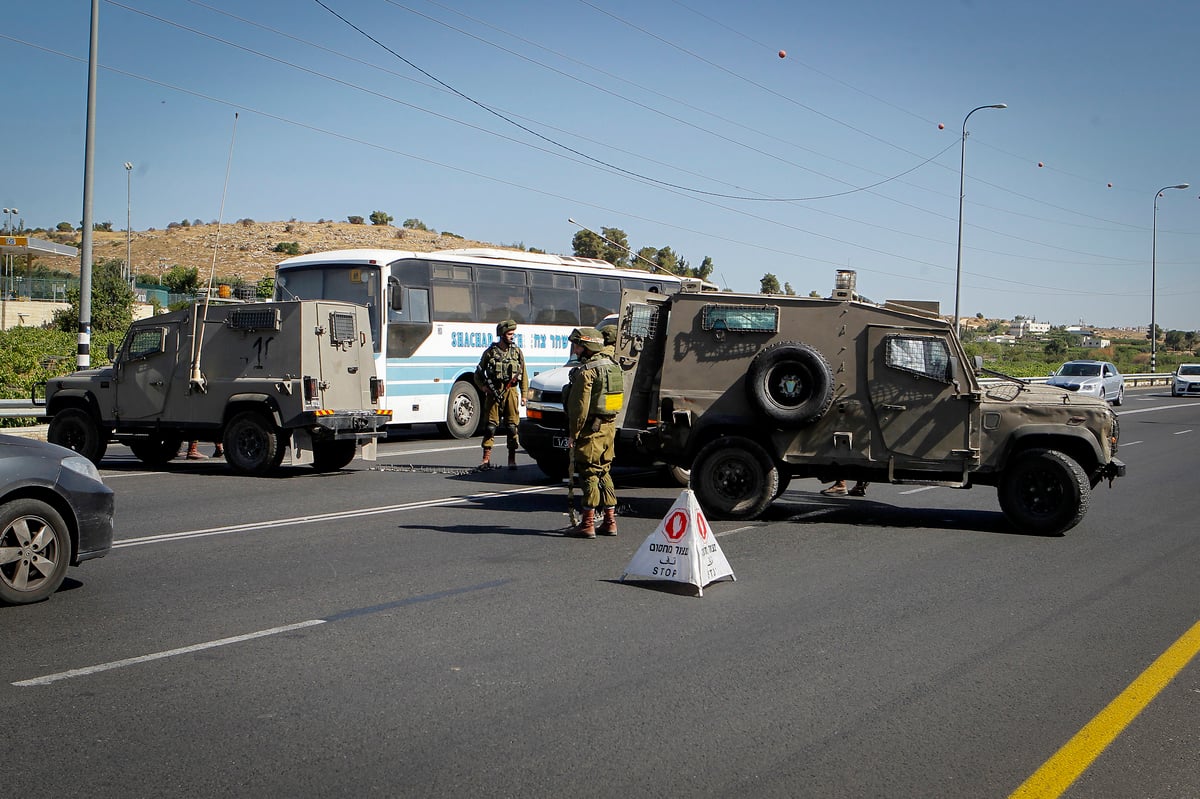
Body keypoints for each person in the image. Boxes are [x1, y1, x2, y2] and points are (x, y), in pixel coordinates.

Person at [564, 327, 623, 538]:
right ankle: (610, 521)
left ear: (587, 346)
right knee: (604, 471)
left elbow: (580, 407)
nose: (576, 349)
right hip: (608, 429)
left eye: (578, 345)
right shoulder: (613, 367)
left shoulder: (588, 371)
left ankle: (587, 524)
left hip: (591, 431)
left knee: (589, 473)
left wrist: (573, 433)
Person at [474, 318, 528, 470]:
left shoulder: (517, 352)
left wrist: (524, 395)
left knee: (512, 427)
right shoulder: (490, 352)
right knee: (490, 426)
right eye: (509, 333)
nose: (512, 336)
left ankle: (512, 459)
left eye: (513, 334)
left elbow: (524, 374)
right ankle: (486, 459)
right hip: (494, 392)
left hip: (511, 392)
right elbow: (477, 374)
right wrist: (483, 387)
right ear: (502, 334)